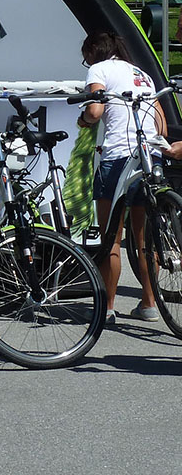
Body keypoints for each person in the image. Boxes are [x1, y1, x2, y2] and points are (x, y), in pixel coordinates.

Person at [78, 30, 182, 322]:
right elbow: (160, 124)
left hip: (117, 157)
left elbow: (95, 110)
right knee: (144, 237)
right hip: (150, 157)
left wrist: (83, 119)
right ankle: (149, 304)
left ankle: (106, 309)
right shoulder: (142, 74)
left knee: (110, 238)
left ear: (92, 52)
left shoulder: (99, 70)